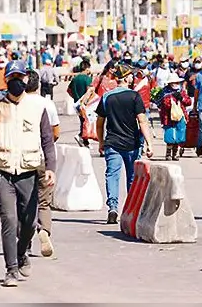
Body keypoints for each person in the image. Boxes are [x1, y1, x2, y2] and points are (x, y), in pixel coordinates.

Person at [0, 60, 57, 287]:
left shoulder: (38, 108)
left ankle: (22, 252)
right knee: (9, 220)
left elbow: (47, 140)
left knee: (29, 223)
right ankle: (11, 269)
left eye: (19, 77)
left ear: (25, 79)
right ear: (6, 80)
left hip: (29, 172)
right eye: (11, 78)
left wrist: (51, 168)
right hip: (2, 172)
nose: (15, 82)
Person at [96, 66, 154, 225]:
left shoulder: (106, 97)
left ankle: (112, 208)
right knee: (132, 177)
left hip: (112, 143)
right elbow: (142, 121)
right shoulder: (134, 96)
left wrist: (101, 142)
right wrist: (149, 143)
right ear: (127, 78)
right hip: (132, 143)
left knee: (112, 175)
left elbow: (100, 123)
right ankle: (131, 209)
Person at [24, 69, 60, 258]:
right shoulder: (47, 104)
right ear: (38, 85)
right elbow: (55, 133)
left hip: (23, 158)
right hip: (44, 158)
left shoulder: (17, 104)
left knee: (24, 201)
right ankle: (44, 230)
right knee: (44, 202)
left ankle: (25, 242)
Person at [159, 73, 192, 161]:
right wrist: (171, 98)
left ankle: (175, 154)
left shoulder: (181, 92)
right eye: (174, 82)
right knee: (170, 135)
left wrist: (182, 98)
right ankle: (168, 154)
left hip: (180, 117)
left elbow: (189, 102)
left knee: (179, 135)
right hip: (168, 117)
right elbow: (165, 105)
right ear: (170, 83)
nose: (176, 84)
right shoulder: (164, 92)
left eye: (177, 82)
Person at [68, 60, 93, 147]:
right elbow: (89, 91)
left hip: (76, 103)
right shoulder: (87, 79)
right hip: (85, 104)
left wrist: (75, 97)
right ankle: (81, 136)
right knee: (86, 121)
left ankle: (85, 141)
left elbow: (69, 90)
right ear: (87, 68)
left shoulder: (75, 78)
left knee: (82, 121)